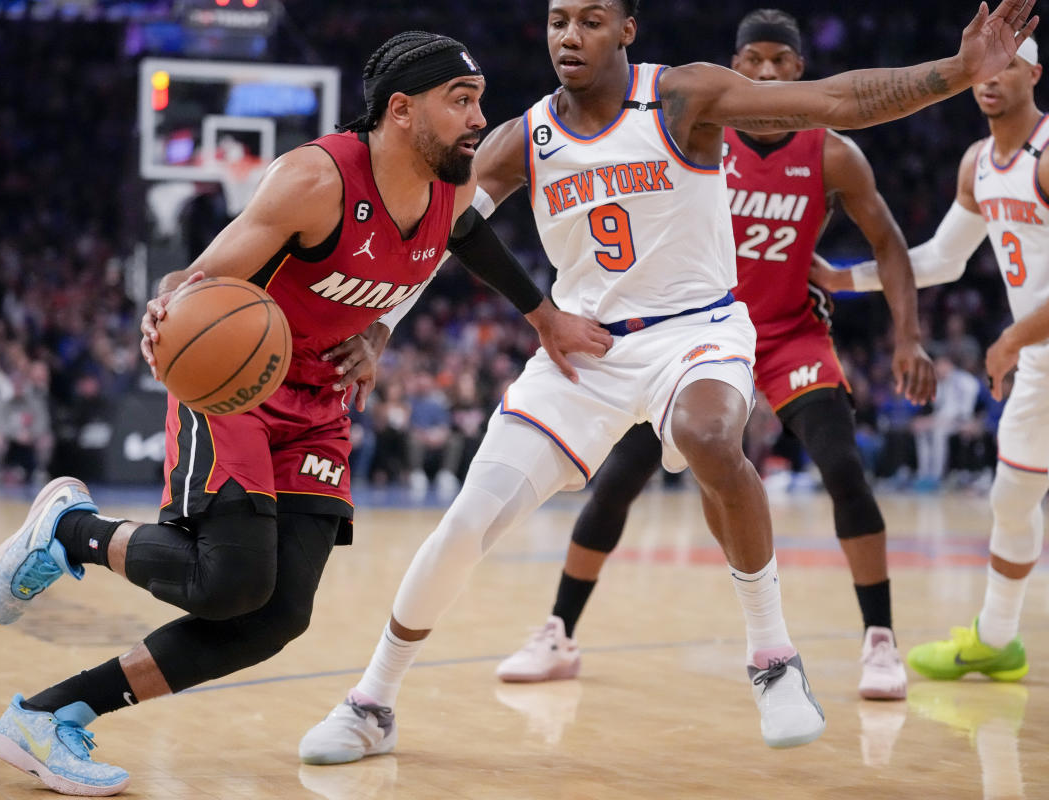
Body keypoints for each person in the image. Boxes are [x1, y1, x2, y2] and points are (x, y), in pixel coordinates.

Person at [298, 0, 1038, 763]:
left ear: (626, 30)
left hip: (700, 330)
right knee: (464, 525)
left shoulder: (684, 96)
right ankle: (373, 702)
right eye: (557, 20)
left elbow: (838, 99)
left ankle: (774, 659)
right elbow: (442, 227)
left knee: (709, 435)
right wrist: (384, 325)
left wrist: (956, 72)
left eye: (590, 19)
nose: (568, 36)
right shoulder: (525, 135)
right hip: (584, 352)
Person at [0, 31, 608, 797]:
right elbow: (201, 275)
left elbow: (466, 238)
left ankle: (49, 716)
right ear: (402, 110)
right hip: (237, 385)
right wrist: (170, 306)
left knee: (276, 617)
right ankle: (70, 531)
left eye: (479, 101)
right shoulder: (316, 178)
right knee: (226, 585)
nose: (480, 119)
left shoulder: (451, 186)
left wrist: (518, 321)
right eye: (462, 101)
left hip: (318, 402)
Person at [492, 8, 937, 702]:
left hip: (787, 335)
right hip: (685, 338)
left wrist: (905, 333)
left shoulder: (831, 153)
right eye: (751, 61)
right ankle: (557, 628)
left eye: (779, 63)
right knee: (615, 486)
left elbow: (888, 242)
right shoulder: (697, 128)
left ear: (796, 70)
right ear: (736, 65)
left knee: (846, 469)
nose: (763, 74)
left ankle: (879, 639)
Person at [812, 34, 1047, 685]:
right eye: (984, 68)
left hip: (1030, 346)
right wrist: (843, 279)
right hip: (1041, 360)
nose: (991, 78)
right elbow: (943, 258)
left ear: (1035, 72)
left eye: (1008, 67)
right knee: (1011, 499)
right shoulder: (978, 164)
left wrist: (1008, 339)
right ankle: (997, 641)